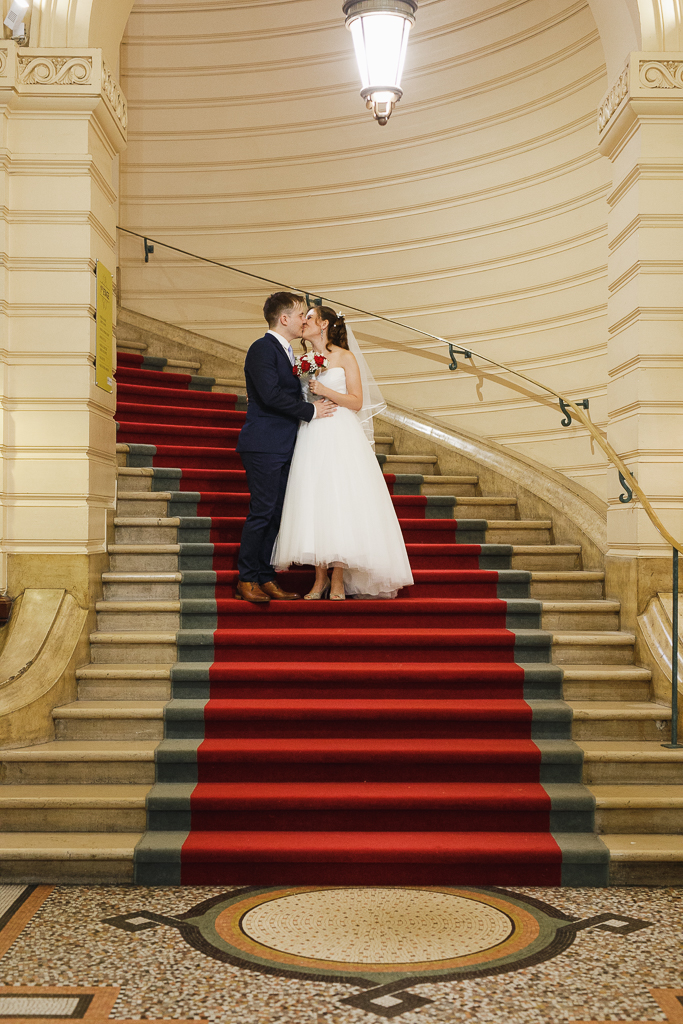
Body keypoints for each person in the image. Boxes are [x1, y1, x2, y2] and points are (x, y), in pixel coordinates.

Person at [272, 306, 413, 600]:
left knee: (339, 500)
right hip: (312, 433)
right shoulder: (301, 361)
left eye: (309, 318)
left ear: (323, 324)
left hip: (340, 432)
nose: (304, 322)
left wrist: (326, 390)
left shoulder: (345, 357)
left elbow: (357, 401)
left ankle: (337, 578)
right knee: (315, 500)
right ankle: (319, 577)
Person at [235, 292, 336, 603]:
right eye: (300, 313)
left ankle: (266, 576)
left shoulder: (290, 352)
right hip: (264, 443)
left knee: (278, 514)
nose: (304, 318)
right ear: (284, 318)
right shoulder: (262, 348)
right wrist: (311, 411)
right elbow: (268, 395)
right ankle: (247, 577)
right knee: (263, 511)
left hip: (284, 443)